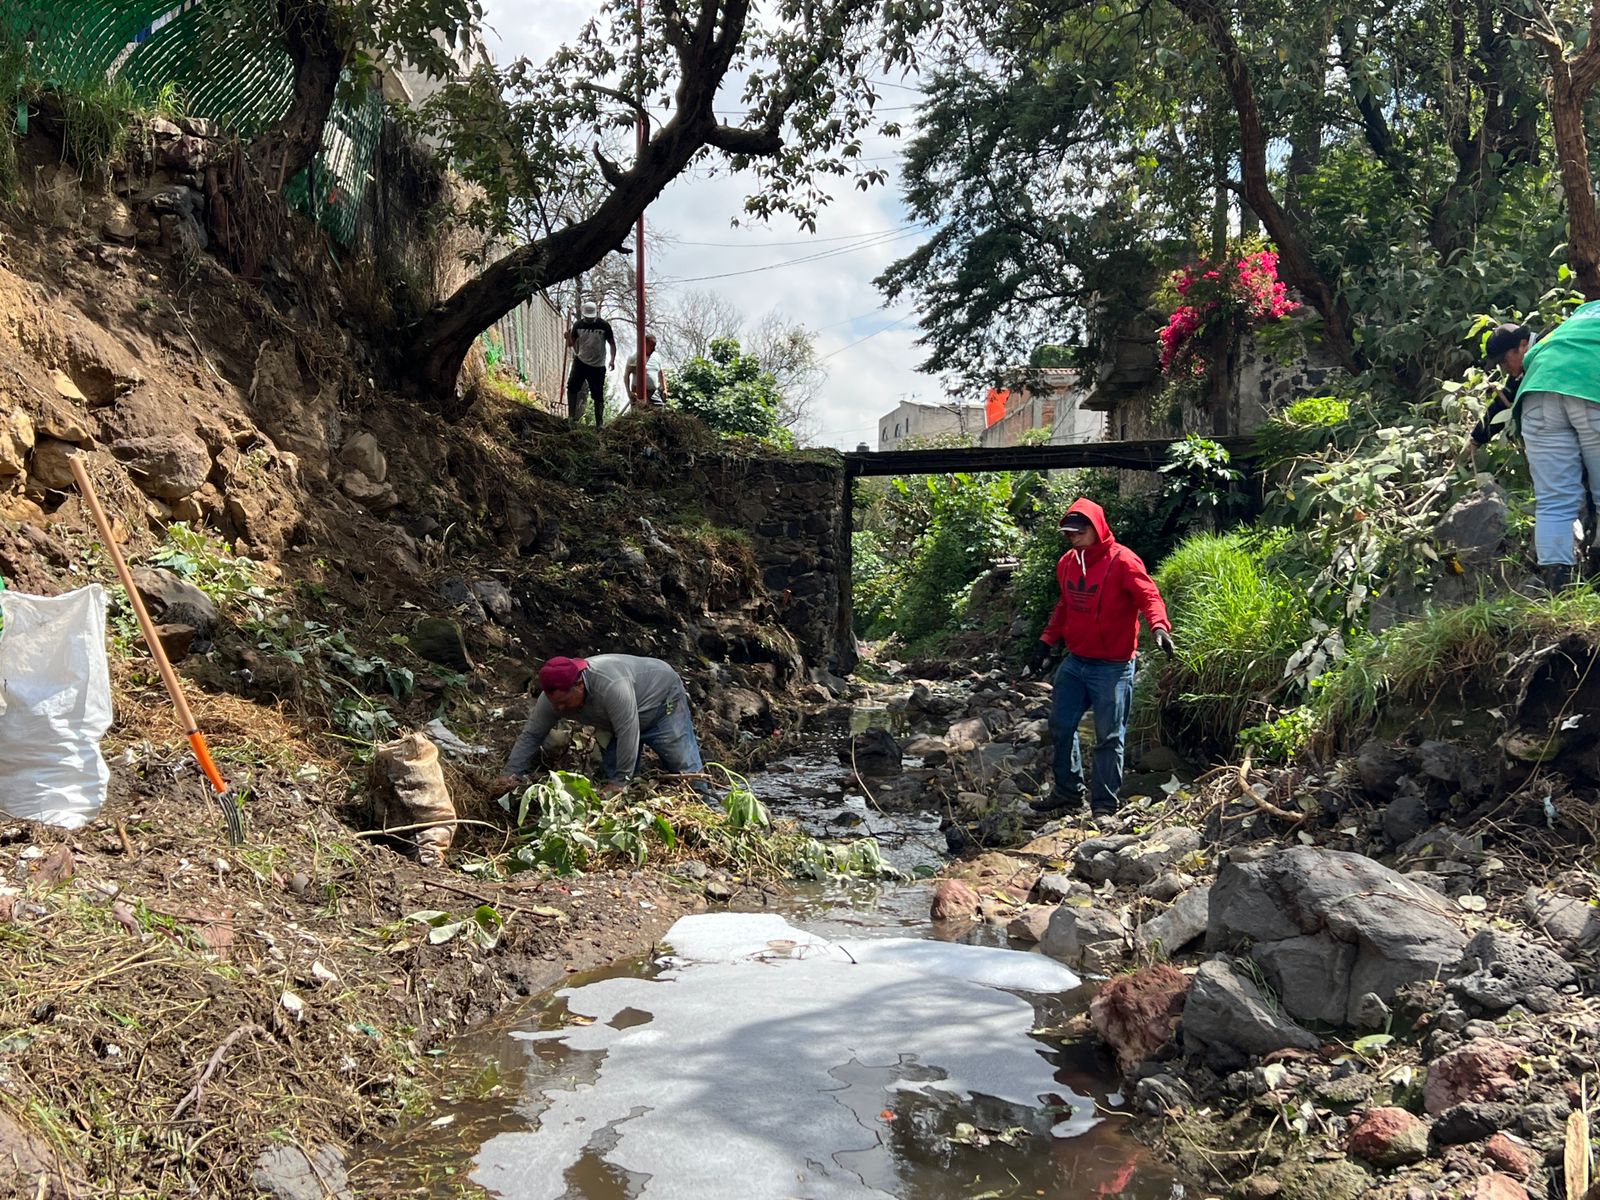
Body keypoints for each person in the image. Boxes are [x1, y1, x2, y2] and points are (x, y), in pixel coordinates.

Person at [1025, 499, 1174, 820]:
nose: (1073, 537)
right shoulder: (1066, 562)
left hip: (1113, 666)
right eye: (1069, 533)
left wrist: (1159, 627)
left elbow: (1149, 596)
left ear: (1098, 527)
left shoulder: (1123, 561)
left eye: (1079, 531)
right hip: (1077, 661)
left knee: (1108, 737)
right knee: (1061, 726)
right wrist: (1045, 642)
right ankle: (1067, 792)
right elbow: (1065, 606)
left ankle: (1104, 806)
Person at [497, 654, 710, 796]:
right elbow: (532, 735)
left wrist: (621, 781)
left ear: (579, 685)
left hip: (662, 704)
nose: (560, 709)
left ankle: (711, 808)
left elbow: (628, 731)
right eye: (555, 704)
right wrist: (510, 774)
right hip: (621, 721)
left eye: (564, 702)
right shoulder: (552, 699)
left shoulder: (611, 686)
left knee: (686, 772)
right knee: (611, 774)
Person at [1511, 301, 1600, 590]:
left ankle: (1557, 588)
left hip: (1538, 390)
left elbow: (1530, 358)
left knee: (1553, 500)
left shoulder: (1581, 313)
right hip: (1589, 388)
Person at [1470, 322, 1529, 448]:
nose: (1503, 368)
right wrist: (1476, 439)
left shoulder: (1543, 359)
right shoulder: (1522, 371)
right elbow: (1502, 403)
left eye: (1503, 361)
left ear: (1523, 345)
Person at [566, 302, 616, 427]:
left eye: (591, 317)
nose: (589, 319)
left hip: (598, 366)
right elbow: (571, 344)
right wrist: (568, 338)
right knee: (572, 388)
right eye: (587, 317)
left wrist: (612, 359)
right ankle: (571, 418)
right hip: (581, 361)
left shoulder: (604, 326)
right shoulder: (578, 325)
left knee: (598, 395)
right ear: (584, 315)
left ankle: (599, 423)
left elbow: (612, 343)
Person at [623, 332, 667, 409]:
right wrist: (629, 392)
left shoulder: (657, 357)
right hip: (638, 393)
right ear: (644, 344)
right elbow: (626, 375)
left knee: (660, 410)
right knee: (639, 416)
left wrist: (664, 388)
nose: (653, 349)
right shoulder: (634, 357)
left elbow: (661, 373)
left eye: (654, 346)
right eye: (651, 346)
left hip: (653, 392)